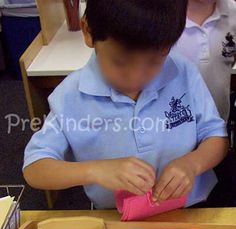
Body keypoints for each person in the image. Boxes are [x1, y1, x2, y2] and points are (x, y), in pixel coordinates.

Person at [23, 0, 228, 209]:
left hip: (192, 210)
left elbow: (216, 137)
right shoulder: (70, 97)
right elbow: (35, 167)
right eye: (120, 62)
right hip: (117, 219)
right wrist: (96, 170)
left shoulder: (182, 72)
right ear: (88, 32)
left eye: (154, 62)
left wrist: (192, 164)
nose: (135, 77)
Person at [175, 0, 236, 121]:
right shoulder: (158, 11)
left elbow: (229, 59)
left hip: (218, 123)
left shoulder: (233, 11)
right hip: (168, 127)